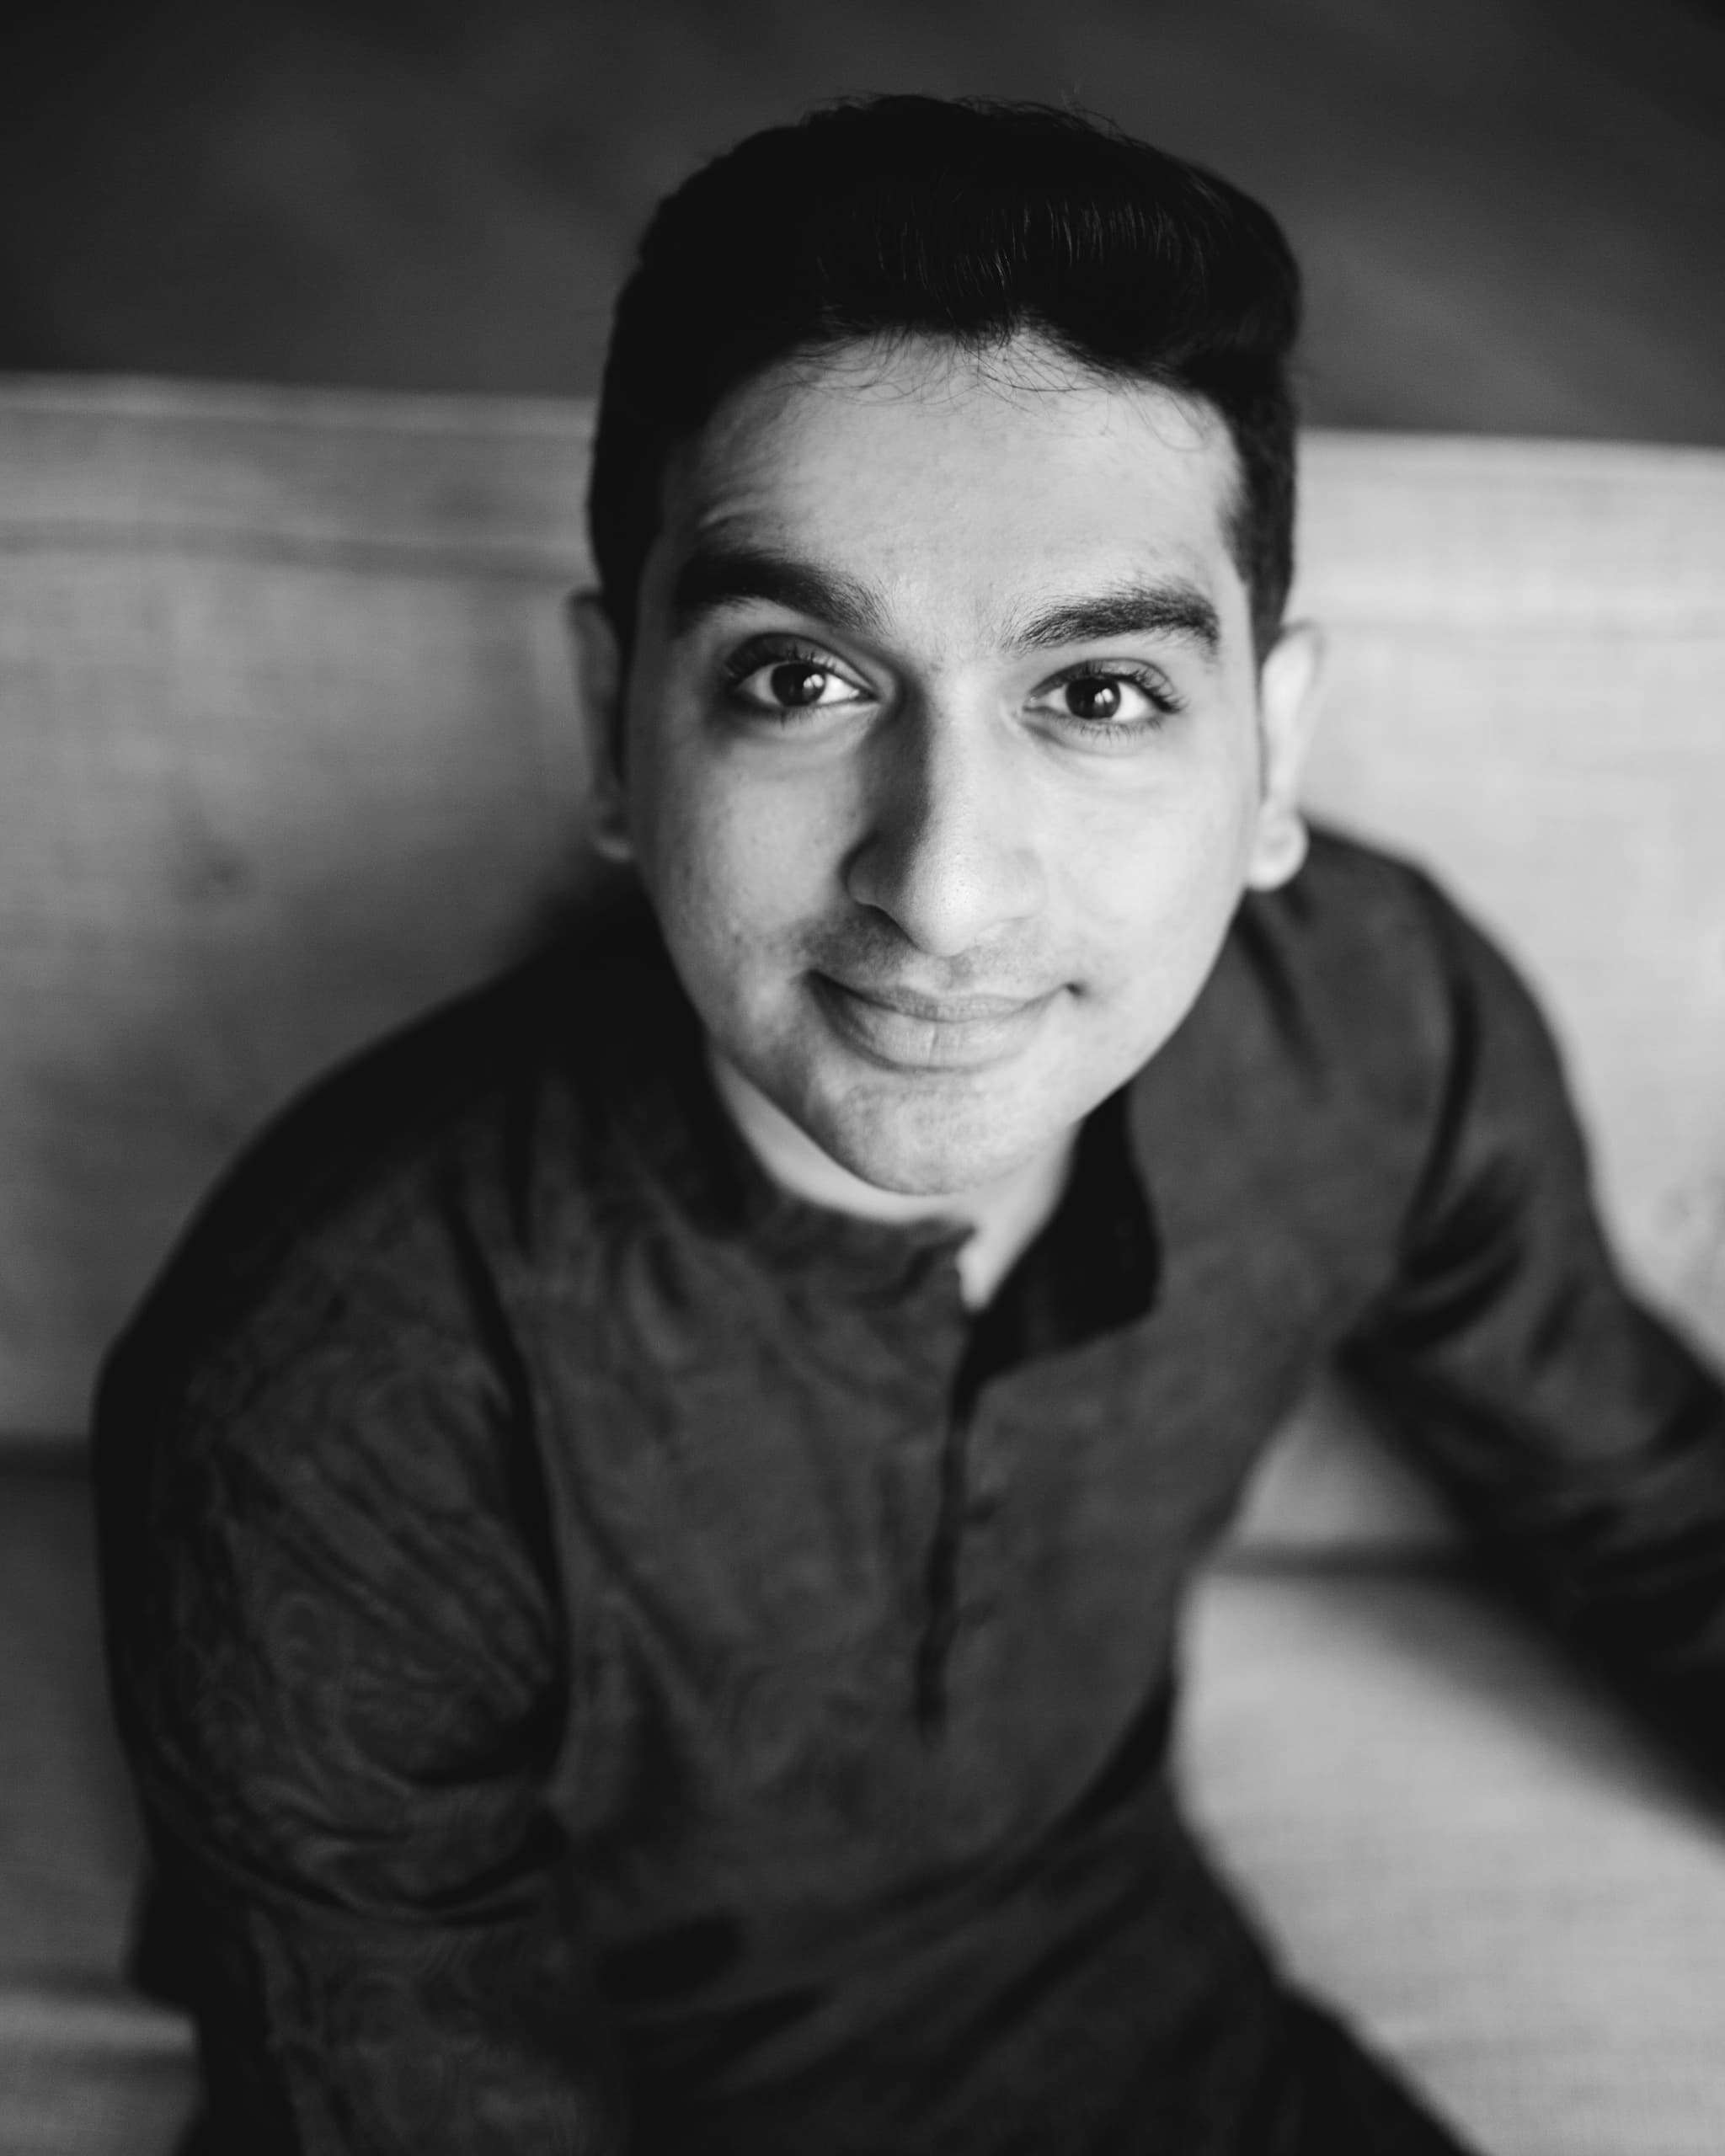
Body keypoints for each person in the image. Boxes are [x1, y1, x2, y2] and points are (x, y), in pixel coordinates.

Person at [92, 94, 1725, 2156]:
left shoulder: (1367, 1021)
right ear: (613, 730)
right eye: (798, 678)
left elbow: (1654, 1508)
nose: (944, 888)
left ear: (1273, 752)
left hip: (1161, 2040)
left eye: (1101, 694)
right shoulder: (337, 1379)